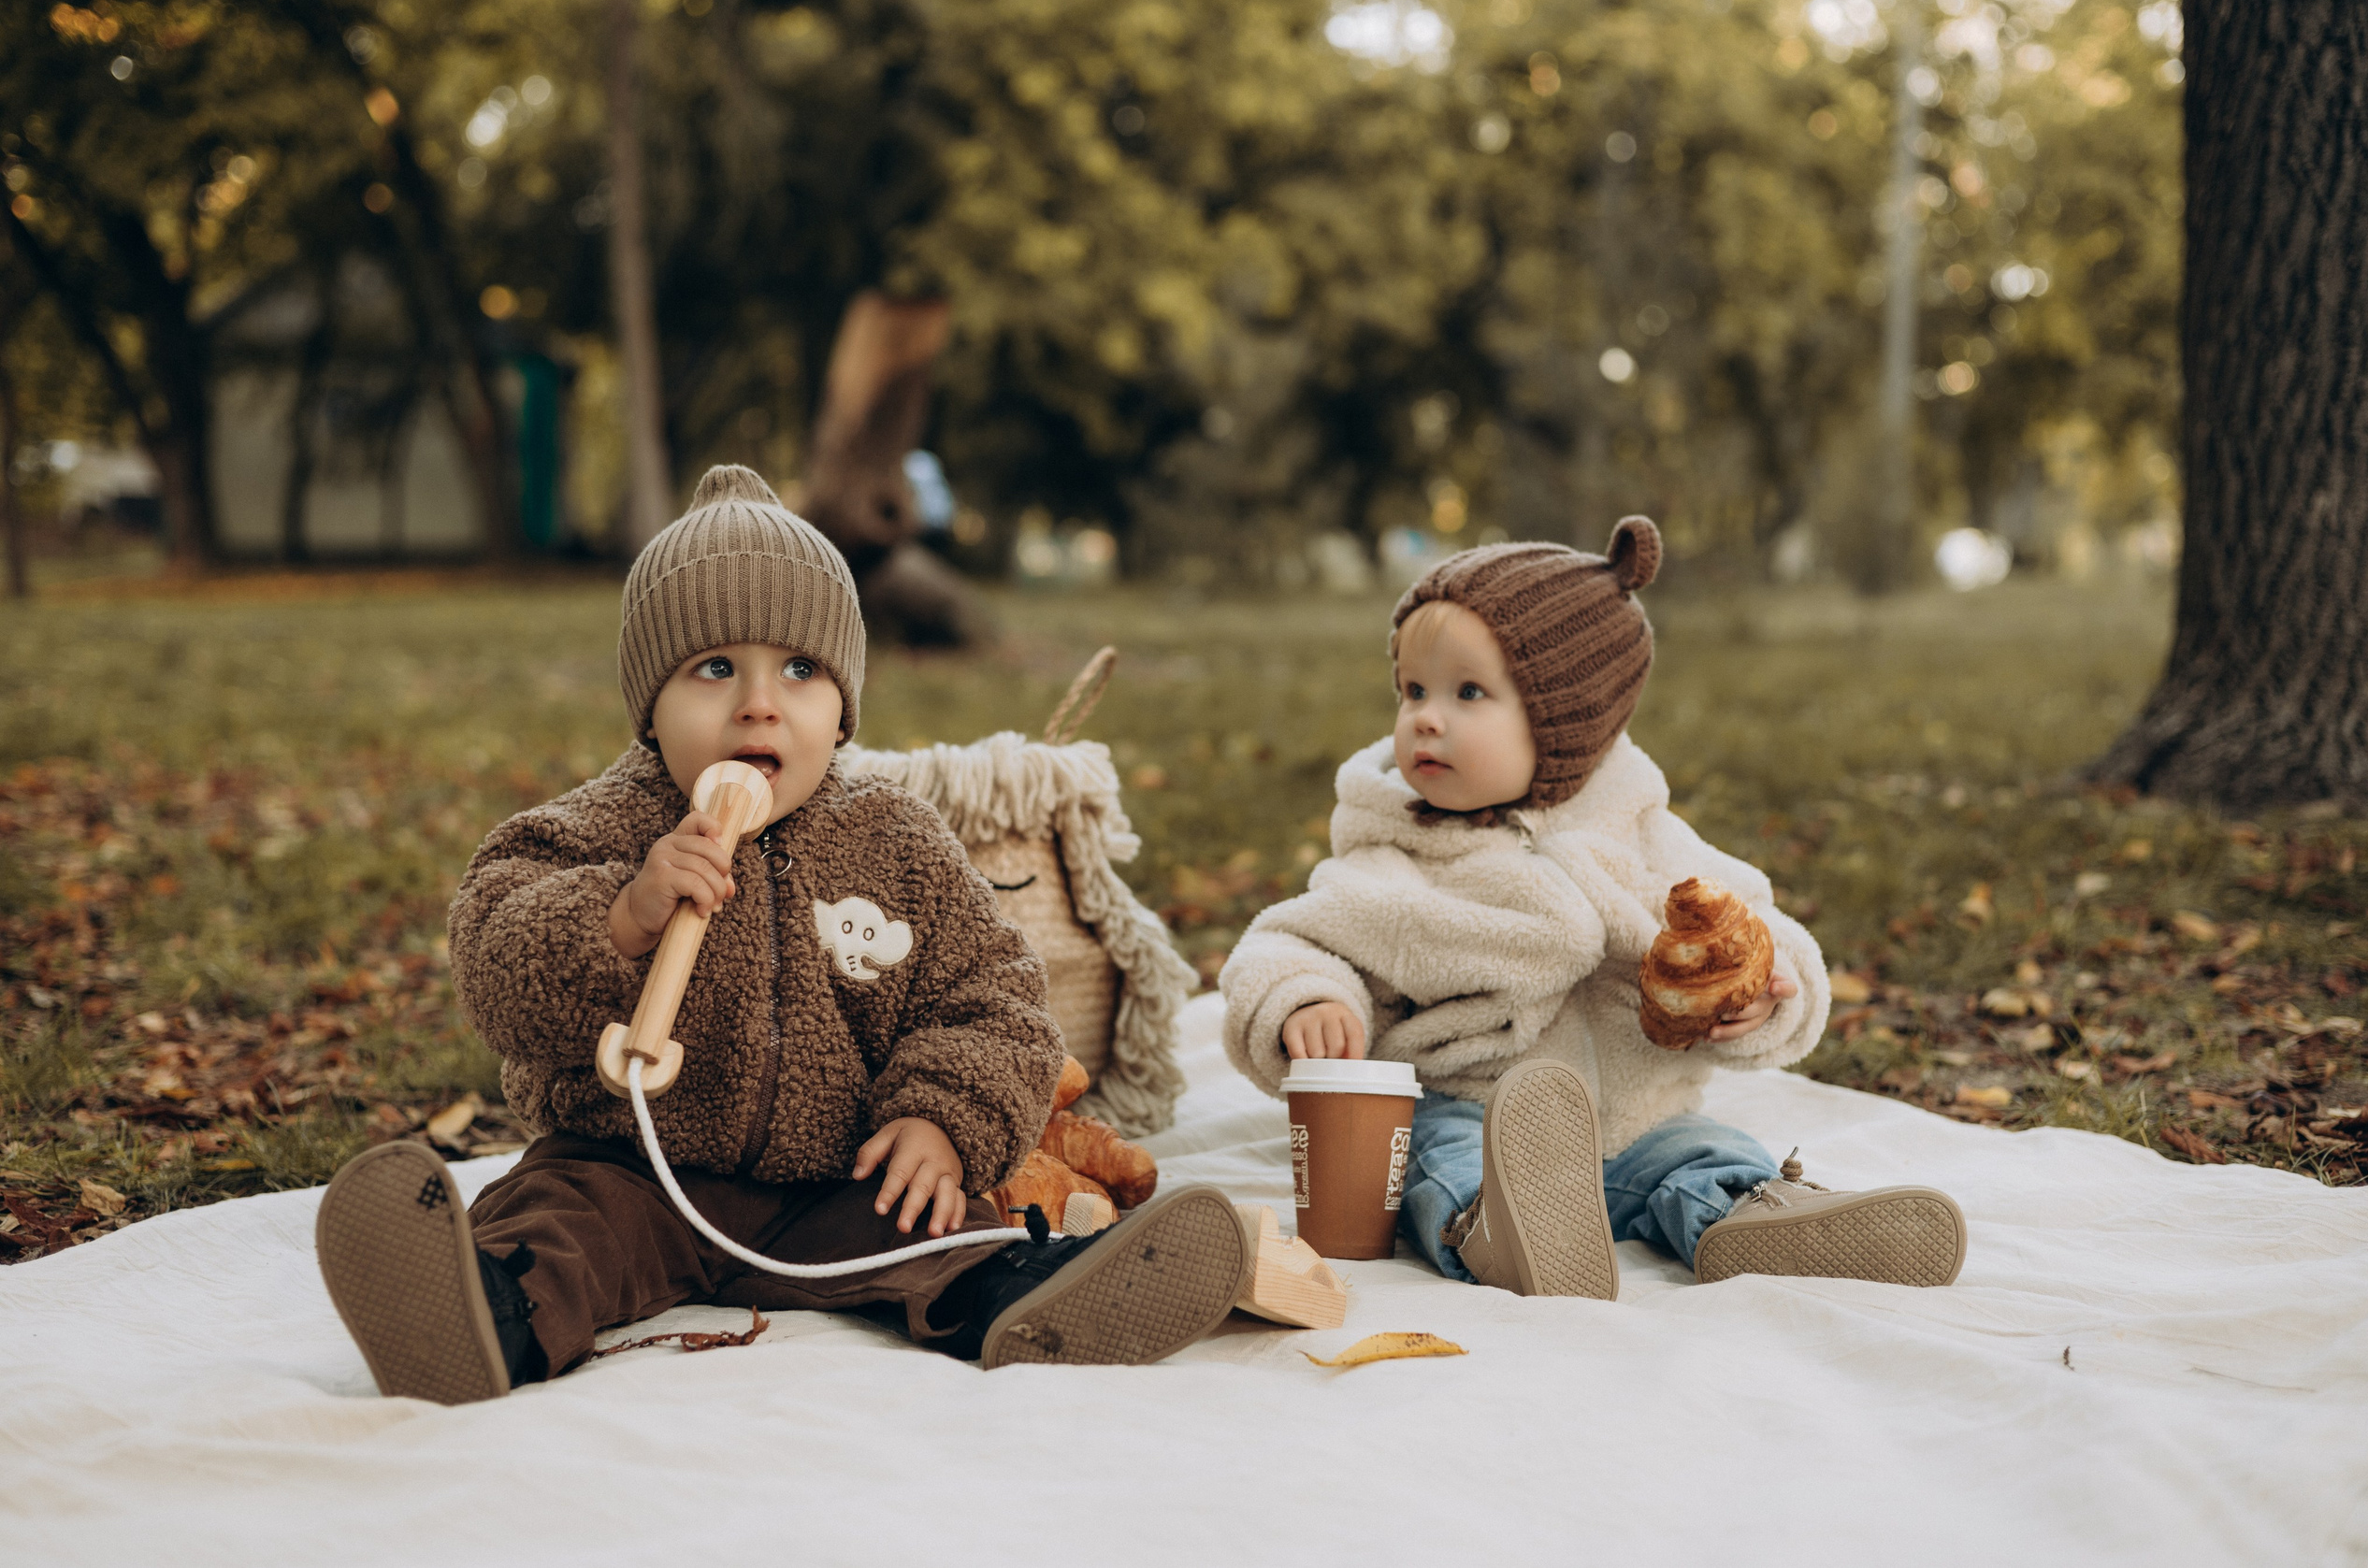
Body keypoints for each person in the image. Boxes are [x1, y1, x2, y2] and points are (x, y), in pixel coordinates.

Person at [314, 467, 1242, 1403]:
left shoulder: (897, 840)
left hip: (836, 1179)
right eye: (714, 669)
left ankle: (1021, 1300)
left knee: (938, 1226)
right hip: (630, 1166)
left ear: (842, 709)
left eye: (800, 671)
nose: (761, 704)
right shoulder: (595, 829)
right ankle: (481, 1319)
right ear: (648, 709)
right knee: (553, 1228)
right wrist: (622, 914)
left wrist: (941, 1119)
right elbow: (494, 958)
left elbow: (994, 999)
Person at [1219, 521, 1965, 1299]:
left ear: (1564, 719)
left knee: (1708, 1152)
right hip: (1479, 1113)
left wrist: (1769, 985)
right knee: (1432, 1162)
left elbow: (1751, 923)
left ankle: (1756, 1223)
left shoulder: (1643, 835)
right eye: (1413, 691)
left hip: (1642, 1124)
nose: (1425, 718)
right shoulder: (1395, 854)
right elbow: (1291, 941)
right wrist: (1306, 998)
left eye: (1468, 692)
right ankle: (1499, 1229)